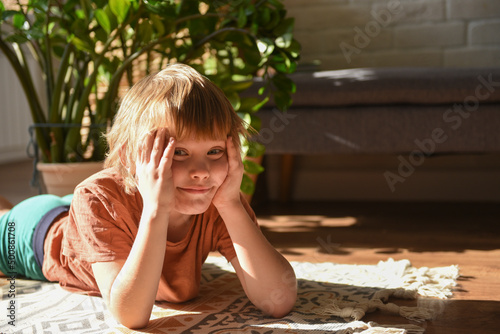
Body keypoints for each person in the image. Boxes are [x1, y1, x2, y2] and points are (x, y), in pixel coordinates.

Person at [0, 64, 297, 329]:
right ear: (131, 157)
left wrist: (231, 205)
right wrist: (156, 208)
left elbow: (278, 300)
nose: (202, 171)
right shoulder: (96, 198)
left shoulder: (220, 198)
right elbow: (131, 315)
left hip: (87, 212)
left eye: (214, 151)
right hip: (35, 232)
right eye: (178, 152)